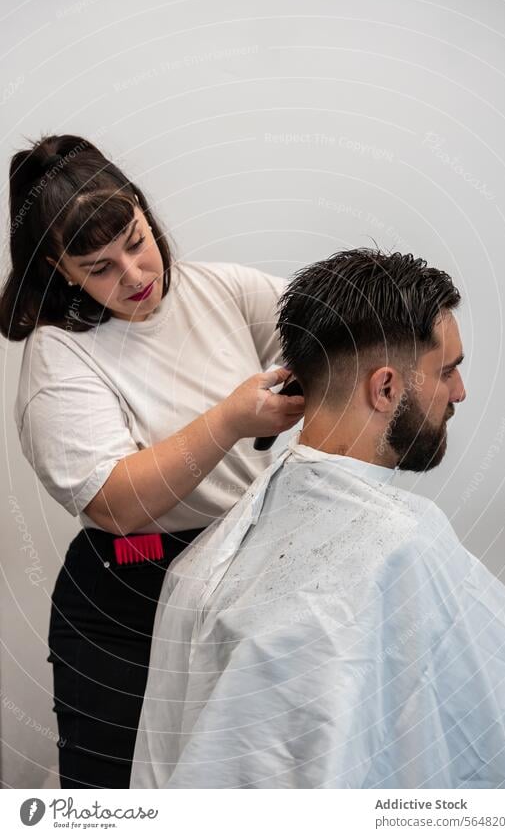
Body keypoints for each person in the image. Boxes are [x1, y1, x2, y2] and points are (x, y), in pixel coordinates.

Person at [131, 248, 505, 789]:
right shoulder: (406, 546)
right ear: (386, 388)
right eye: (448, 371)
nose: (460, 392)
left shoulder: (194, 571)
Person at [0, 133, 305, 789]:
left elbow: (319, 327)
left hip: (239, 578)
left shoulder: (214, 289)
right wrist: (229, 420)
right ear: (58, 269)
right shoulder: (60, 359)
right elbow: (118, 502)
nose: (135, 277)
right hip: (127, 593)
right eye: (100, 267)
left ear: (143, 209)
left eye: (135, 241)